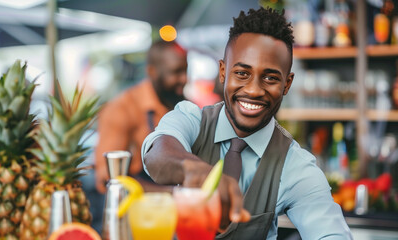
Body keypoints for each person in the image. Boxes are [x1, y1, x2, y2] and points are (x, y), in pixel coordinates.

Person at [142, 7, 353, 240]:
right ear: (223, 72)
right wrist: (194, 169)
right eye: (242, 73)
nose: (253, 90)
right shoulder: (192, 119)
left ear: (287, 83)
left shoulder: (295, 166)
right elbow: (157, 153)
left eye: (270, 78)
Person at [94, 40, 188, 194]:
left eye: (185, 71)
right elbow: (108, 177)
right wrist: (172, 194)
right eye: (176, 72)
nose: (184, 79)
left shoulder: (182, 105)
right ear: (152, 71)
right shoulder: (122, 109)